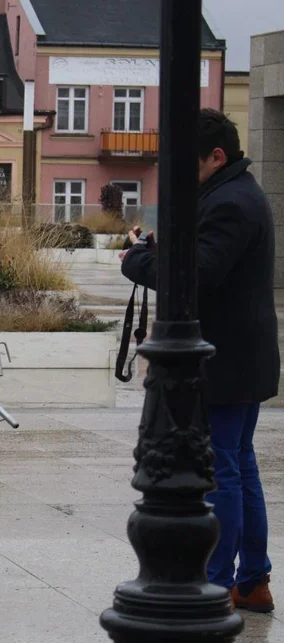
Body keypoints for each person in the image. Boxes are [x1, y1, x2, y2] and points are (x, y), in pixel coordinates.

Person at [121, 109, 280, 612]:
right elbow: (204, 255)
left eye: (185, 163)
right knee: (239, 466)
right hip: (240, 353)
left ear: (216, 156)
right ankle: (251, 580)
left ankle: (215, 580)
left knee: (224, 471)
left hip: (225, 357)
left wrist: (138, 261)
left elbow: (199, 272)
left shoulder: (231, 200)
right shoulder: (232, 192)